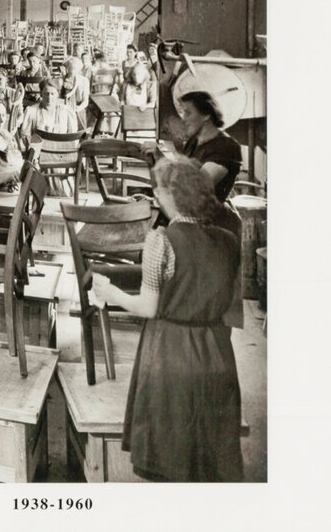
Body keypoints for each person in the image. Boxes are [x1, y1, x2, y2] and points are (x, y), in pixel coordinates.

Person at [91, 156, 243, 482]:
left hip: (170, 352)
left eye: (157, 190)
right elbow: (232, 307)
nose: (154, 195)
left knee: (171, 454)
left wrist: (109, 292)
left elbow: (148, 307)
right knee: (208, 459)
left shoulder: (160, 240)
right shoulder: (229, 240)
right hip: (218, 351)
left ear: (168, 198)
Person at [145, 91, 242, 203]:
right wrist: (154, 161)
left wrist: (164, 158)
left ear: (206, 115)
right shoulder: (194, 141)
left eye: (188, 113)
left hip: (210, 217)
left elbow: (196, 190)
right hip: (185, 212)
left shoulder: (226, 146)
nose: (183, 119)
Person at [0, 68, 24, 132]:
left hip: (8, 125)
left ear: (6, 79)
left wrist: (16, 123)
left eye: (0, 79)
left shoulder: (14, 93)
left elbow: (20, 114)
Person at [60, 56, 90, 130]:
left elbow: (85, 101)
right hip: (63, 107)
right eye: (70, 68)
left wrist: (79, 108)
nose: (72, 71)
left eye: (75, 69)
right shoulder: (61, 79)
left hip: (78, 108)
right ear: (67, 68)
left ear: (79, 69)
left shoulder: (84, 81)